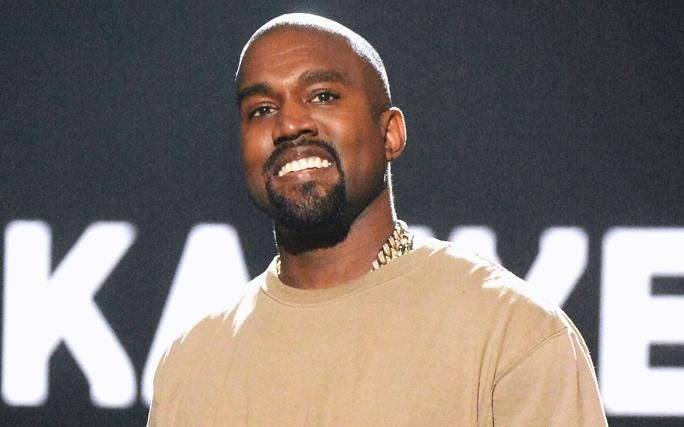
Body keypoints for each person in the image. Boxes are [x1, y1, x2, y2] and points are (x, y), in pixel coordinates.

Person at [147, 13, 607, 426]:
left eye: (322, 96)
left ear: (390, 134)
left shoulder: (512, 334)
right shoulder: (191, 363)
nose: (289, 125)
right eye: (262, 109)